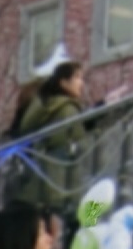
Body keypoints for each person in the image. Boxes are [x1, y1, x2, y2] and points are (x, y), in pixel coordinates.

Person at [10, 61, 86, 234]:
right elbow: (79, 141)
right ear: (63, 82)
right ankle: (83, 244)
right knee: (89, 213)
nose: (82, 83)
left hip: (49, 187)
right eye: (77, 78)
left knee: (60, 226)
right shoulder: (66, 108)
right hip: (67, 183)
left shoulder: (47, 107)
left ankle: (75, 246)